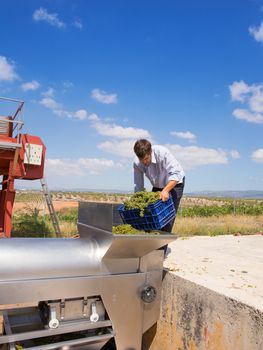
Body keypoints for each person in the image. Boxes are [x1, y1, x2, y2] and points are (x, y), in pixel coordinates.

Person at [133, 139, 185, 233]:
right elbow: (138, 185)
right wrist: (137, 201)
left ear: (150, 152)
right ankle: (153, 246)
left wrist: (165, 191)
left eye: (146, 159)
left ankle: (161, 247)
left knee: (166, 219)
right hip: (157, 185)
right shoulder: (137, 163)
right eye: (141, 160)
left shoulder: (162, 153)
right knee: (152, 217)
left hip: (174, 183)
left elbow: (176, 174)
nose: (144, 162)